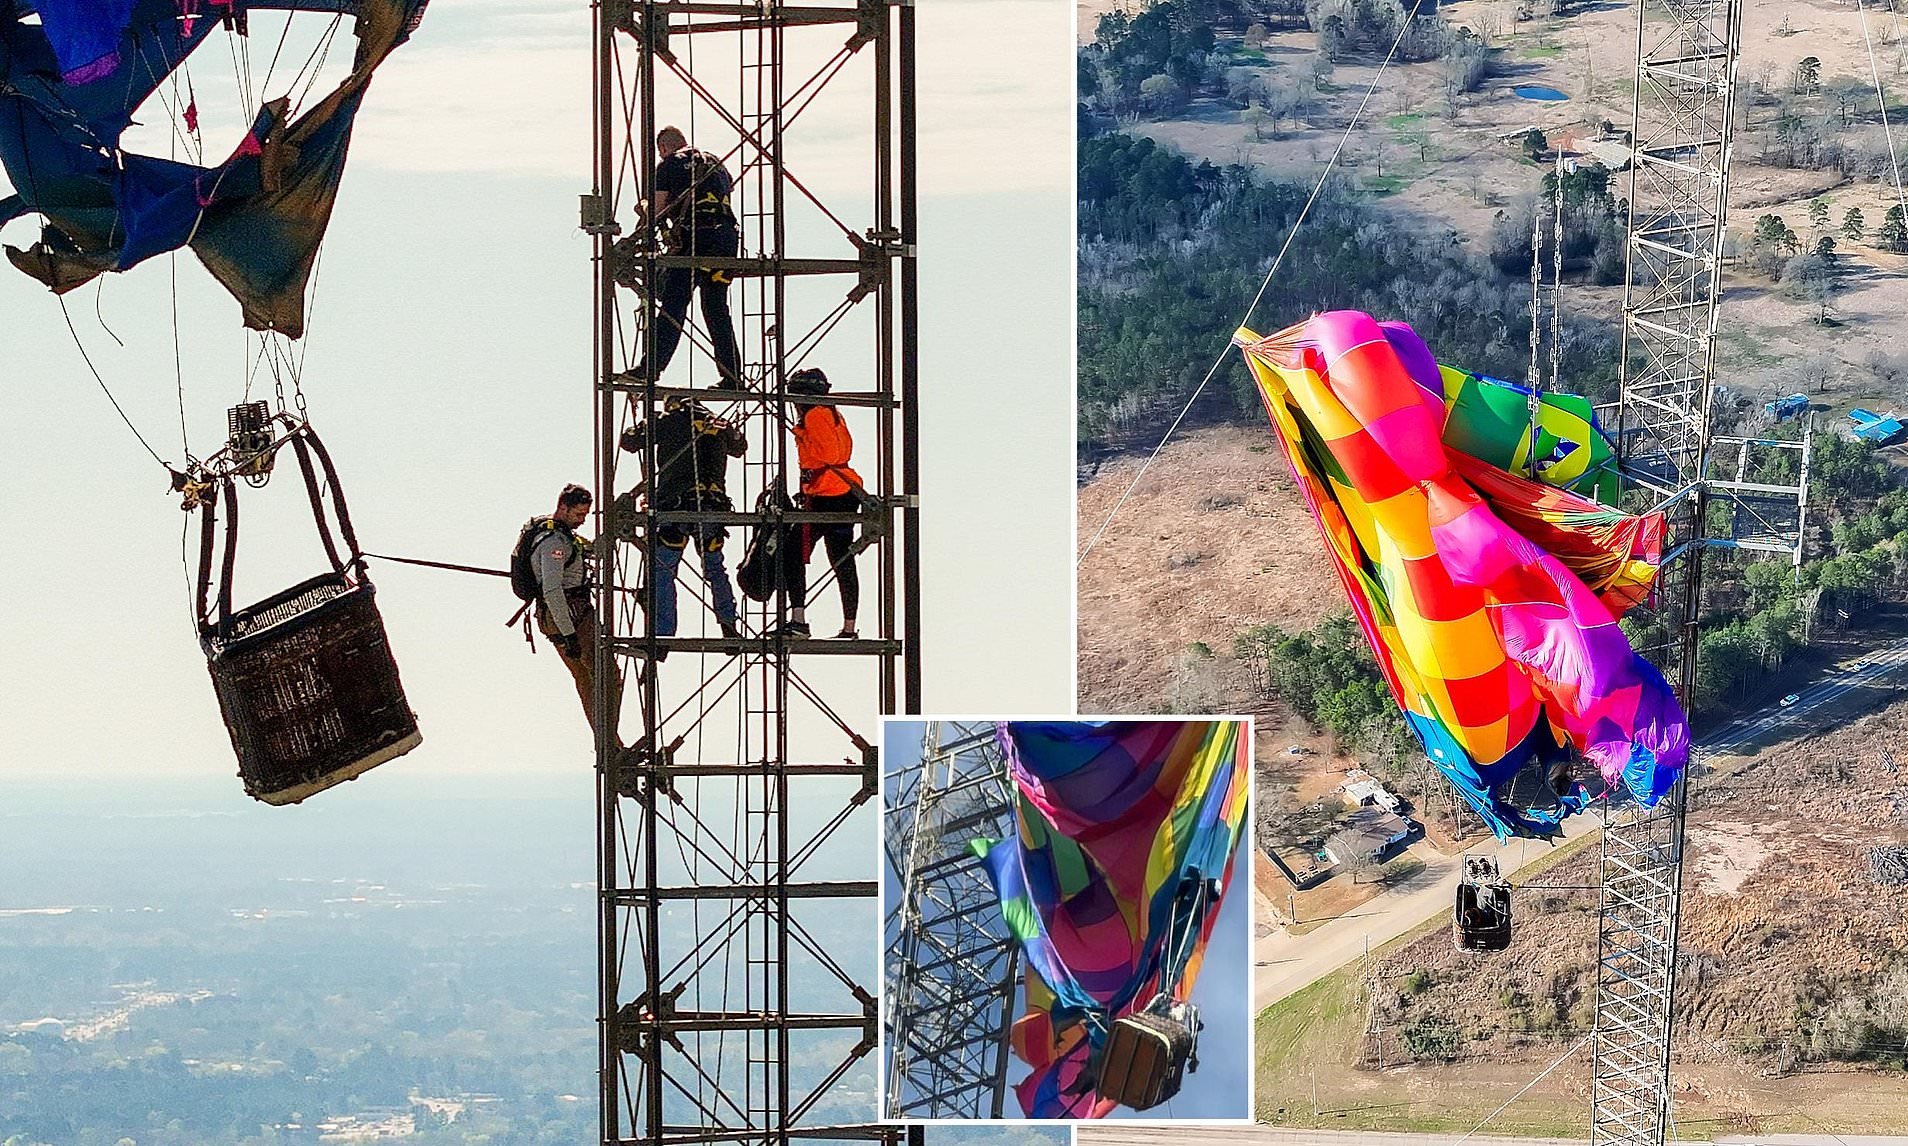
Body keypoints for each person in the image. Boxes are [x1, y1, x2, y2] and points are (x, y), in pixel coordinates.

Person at [625, 126, 743, 389]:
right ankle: (732, 376)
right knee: (715, 308)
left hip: (694, 239)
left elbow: (656, 210)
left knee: (674, 306)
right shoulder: (716, 163)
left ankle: (650, 369)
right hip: (724, 240)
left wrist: (643, 206)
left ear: (663, 148)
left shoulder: (670, 165)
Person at [622, 397, 745, 647]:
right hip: (712, 505)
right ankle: (729, 626)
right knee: (715, 568)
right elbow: (740, 447)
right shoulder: (719, 423)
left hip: (676, 506)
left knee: (663, 570)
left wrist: (647, 421)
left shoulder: (667, 420)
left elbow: (629, 441)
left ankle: (662, 637)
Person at [520, 484, 623, 743]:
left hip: (557, 617)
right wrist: (570, 636)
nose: (582, 520)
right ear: (563, 508)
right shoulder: (554, 542)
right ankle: (609, 740)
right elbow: (553, 590)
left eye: (585, 515)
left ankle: (608, 740)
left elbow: (592, 551)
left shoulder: (563, 536)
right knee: (607, 675)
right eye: (578, 514)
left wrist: (614, 534)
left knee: (587, 679)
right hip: (569, 616)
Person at [775, 367, 862, 639]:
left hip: (828, 494)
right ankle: (849, 627)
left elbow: (826, 454)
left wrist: (800, 433)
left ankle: (799, 620)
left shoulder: (814, 416)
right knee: (842, 559)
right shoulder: (832, 412)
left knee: (791, 552)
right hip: (845, 492)